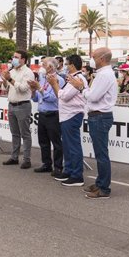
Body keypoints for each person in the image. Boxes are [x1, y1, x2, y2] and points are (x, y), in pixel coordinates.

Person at [67, 47, 117, 198]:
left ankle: (104, 188)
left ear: (102, 58)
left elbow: (93, 97)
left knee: (101, 154)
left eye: (94, 56)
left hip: (100, 116)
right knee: (100, 153)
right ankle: (100, 183)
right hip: (98, 116)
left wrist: (80, 87)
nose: (91, 59)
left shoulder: (104, 75)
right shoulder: (104, 74)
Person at [49, 54, 88, 184]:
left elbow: (64, 96)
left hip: (72, 115)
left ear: (71, 65)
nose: (64, 66)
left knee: (73, 146)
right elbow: (61, 95)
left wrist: (54, 84)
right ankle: (68, 170)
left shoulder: (77, 78)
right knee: (67, 145)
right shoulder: (72, 78)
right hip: (66, 115)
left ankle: (77, 175)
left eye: (66, 64)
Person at [28, 58, 64, 174]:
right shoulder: (43, 78)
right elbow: (37, 98)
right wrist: (34, 91)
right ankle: (46, 164)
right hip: (42, 113)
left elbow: (53, 98)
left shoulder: (58, 80)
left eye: (43, 65)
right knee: (43, 141)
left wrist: (39, 88)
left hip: (53, 113)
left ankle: (58, 166)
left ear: (50, 67)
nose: (41, 67)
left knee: (56, 142)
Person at [2, 50, 35, 168]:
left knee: (25, 133)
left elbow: (23, 88)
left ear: (23, 59)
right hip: (11, 104)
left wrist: (10, 79)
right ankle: (14, 157)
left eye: (16, 57)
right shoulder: (12, 71)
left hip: (23, 105)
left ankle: (27, 159)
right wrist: (5, 80)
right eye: (13, 57)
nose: (14, 59)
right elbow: (5, 88)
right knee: (14, 133)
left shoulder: (28, 72)